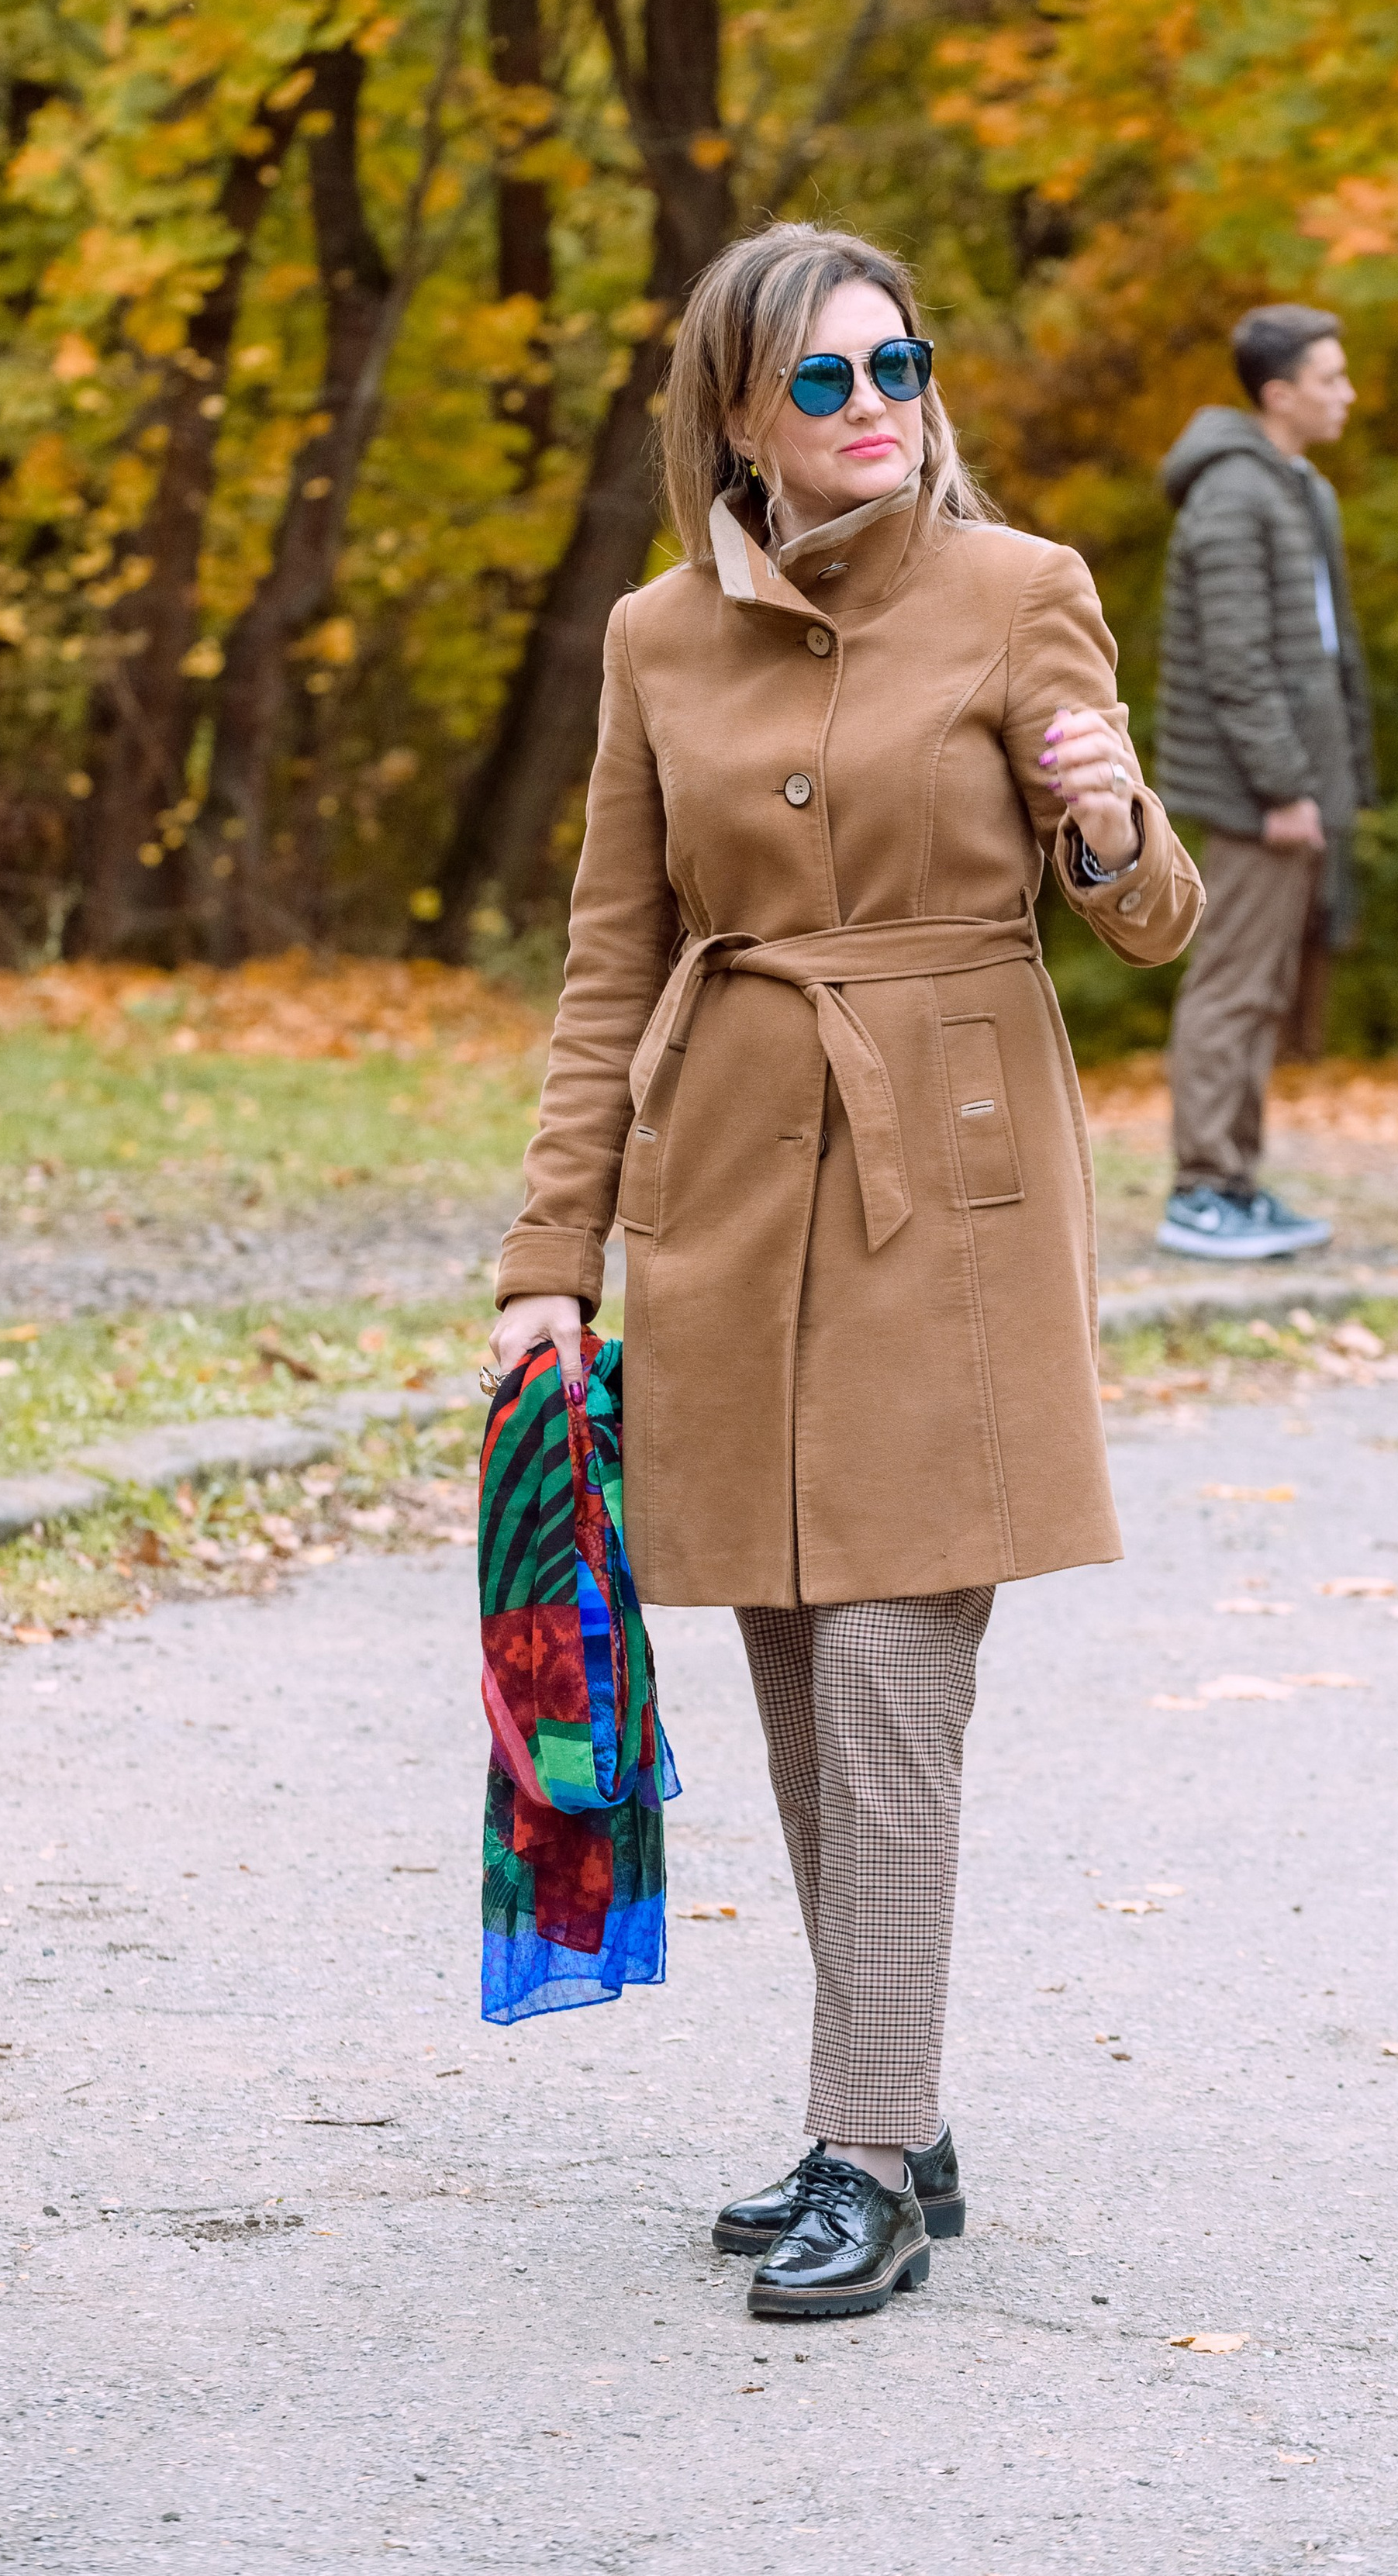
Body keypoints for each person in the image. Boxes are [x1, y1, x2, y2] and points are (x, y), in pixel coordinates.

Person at [486, 221, 1202, 2324]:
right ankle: (899, 2106)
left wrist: (1107, 813)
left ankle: (862, 2152)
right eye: (824, 380)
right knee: (800, 1681)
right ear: (735, 413)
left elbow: (1150, 920)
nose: (875, 407)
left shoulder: (1021, 591)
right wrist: (552, 1250)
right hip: (725, 1181)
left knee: (897, 1674)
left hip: (952, 1185)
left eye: (898, 366)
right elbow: (609, 957)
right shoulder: (651, 639)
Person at [1153, 304, 1376, 1261]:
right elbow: (1237, 663)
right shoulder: (1233, 496)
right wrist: (1287, 788)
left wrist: (1337, 782)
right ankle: (1202, 1190)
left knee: (1263, 989)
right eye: (1331, 378)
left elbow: (1325, 654)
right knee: (1232, 988)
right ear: (1280, 394)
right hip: (1259, 796)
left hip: (1298, 788)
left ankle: (1236, 1186)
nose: (1348, 394)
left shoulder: (1294, 488)